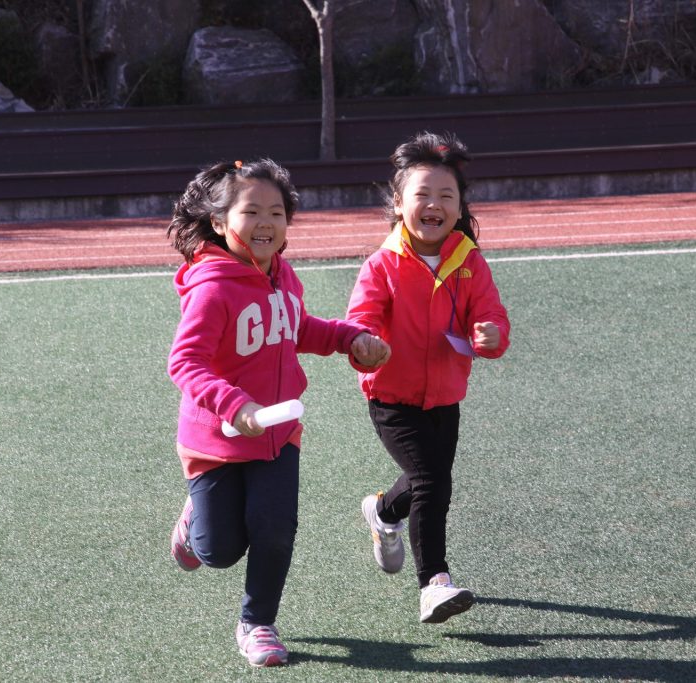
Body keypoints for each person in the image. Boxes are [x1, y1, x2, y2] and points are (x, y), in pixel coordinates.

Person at [165, 158, 390, 667]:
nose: (266, 222)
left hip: (278, 435)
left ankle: (257, 622)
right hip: (217, 441)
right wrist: (234, 403)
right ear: (220, 223)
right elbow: (185, 362)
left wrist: (351, 338)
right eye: (251, 211)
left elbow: (300, 327)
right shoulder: (213, 287)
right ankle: (193, 523)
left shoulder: (283, 276)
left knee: (274, 527)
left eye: (276, 211)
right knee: (218, 551)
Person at [346, 132, 510, 624]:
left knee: (424, 482)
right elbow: (362, 321)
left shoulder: (470, 263)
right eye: (422, 195)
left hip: (444, 396)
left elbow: (494, 318)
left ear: (460, 208)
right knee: (433, 482)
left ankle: (382, 512)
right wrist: (366, 345)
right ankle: (434, 582)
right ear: (399, 204)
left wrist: (491, 336)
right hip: (392, 397)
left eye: (446, 196)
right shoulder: (383, 265)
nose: (433, 205)